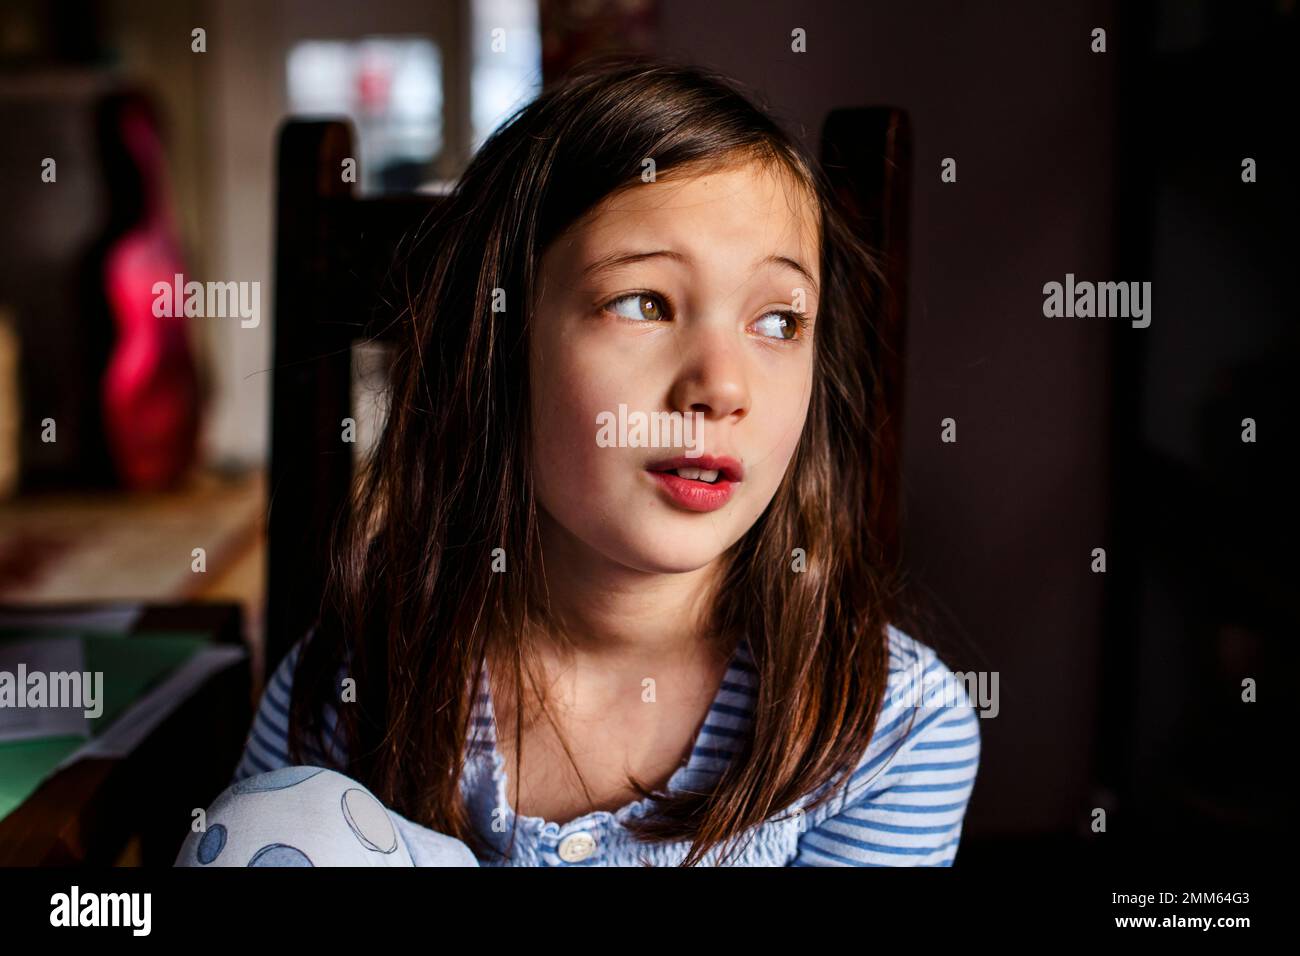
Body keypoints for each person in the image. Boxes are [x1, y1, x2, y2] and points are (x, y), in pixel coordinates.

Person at [176, 54, 980, 868]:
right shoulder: (356, 682)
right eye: (642, 303)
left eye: (778, 321)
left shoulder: (889, 727)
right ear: (498, 347)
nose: (722, 386)